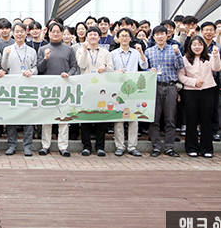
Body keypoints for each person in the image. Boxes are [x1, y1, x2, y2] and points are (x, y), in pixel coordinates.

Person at [37, 23, 78, 157]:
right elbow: (39, 69)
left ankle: (63, 146)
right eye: (53, 31)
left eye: (58, 32)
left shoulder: (69, 49)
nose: (55, 34)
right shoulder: (43, 49)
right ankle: (45, 145)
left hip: (64, 88)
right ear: (48, 33)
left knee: (63, 118)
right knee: (47, 118)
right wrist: (45, 58)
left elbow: (74, 66)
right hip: (48, 89)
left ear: (62, 33)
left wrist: (69, 74)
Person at [177, 36, 221, 158]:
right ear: (190, 46)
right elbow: (181, 76)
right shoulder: (184, 59)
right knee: (191, 120)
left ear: (204, 46)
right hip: (190, 92)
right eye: (194, 44)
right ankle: (191, 147)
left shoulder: (210, 57)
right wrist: (193, 82)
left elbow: (217, 68)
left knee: (206, 120)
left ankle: (207, 148)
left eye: (200, 44)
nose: (197, 47)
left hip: (207, 90)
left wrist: (216, 55)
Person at [145, 25, 184, 158]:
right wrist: (149, 71)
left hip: (171, 86)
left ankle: (169, 147)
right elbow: (144, 68)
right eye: (157, 34)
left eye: (162, 34)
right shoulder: (149, 51)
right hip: (154, 87)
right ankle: (156, 147)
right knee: (154, 119)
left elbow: (180, 66)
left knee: (170, 118)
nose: (160, 37)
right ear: (153, 36)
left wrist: (177, 53)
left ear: (167, 35)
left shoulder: (174, 49)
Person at [1, 22, 38, 156]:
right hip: (12, 89)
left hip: (27, 89)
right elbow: (4, 67)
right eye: (17, 31)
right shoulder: (8, 49)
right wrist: (6, 55)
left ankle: (27, 146)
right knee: (12, 118)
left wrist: (31, 71)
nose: (19, 34)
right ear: (13, 33)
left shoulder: (32, 51)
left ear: (26, 33)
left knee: (28, 118)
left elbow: (36, 68)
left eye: (22, 31)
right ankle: (12, 145)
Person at [76, 26, 114, 157]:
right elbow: (82, 65)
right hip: (86, 89)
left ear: (99, 37)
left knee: (101, 118)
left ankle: (100, 147)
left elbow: (111, 69)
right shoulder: (80, 51)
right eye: (90, 34)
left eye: (95, 35)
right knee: (85, 118)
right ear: (86, 37)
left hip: (101, 89)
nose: (92, 37)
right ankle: (86, 146)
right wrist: (85, 50)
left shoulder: (105, 53)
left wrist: (105, 66)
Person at [110, 28, 147, 157]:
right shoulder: (113, 54)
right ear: (118, 38)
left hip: (133, 89)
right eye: (122, 36)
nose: (124, 38)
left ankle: (132, 146)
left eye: (127, 36)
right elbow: (109, 70)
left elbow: (144, 66)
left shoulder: (136, 53)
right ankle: (119, 146)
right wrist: (115, 72)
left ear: (131, 38)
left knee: (133, 118)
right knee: (119, 118)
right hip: (118, 88)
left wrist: (141, 52)